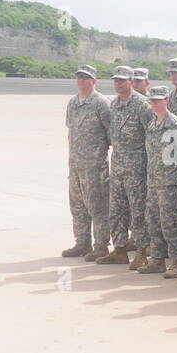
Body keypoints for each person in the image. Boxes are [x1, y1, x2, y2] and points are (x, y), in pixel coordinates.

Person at [99, 65, 153, 266]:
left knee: (138, 211)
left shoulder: (142, 105)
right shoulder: (114, 105)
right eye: (116, 80)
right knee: (117, 210)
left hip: (137, 168)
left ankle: (141, 252)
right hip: (118, 166)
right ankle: (119, 249)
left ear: (131, 81)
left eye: (122, 80)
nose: (118, 83)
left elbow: (152, 136)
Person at [63, 64, 112, 261]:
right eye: (79, 77)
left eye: (86, 77)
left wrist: (97, 156)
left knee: (97, 207)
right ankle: (82, 243)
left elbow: (111, 134)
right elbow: (71, 130)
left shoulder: (101, 103)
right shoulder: (73, 103)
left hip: (94, 167)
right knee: (77, 206)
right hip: (75, 165)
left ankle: (100, 245)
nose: (81, 80)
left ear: (94, 81)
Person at [141, 85, 177, 278]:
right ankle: (158, 260)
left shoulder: (175, 125)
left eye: (158, 100)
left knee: (172, 224)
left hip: (171, 184)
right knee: (153, 222)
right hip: (154, 183)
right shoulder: (152, 125)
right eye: (152, 100)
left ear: (166, 101)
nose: (154, 103)